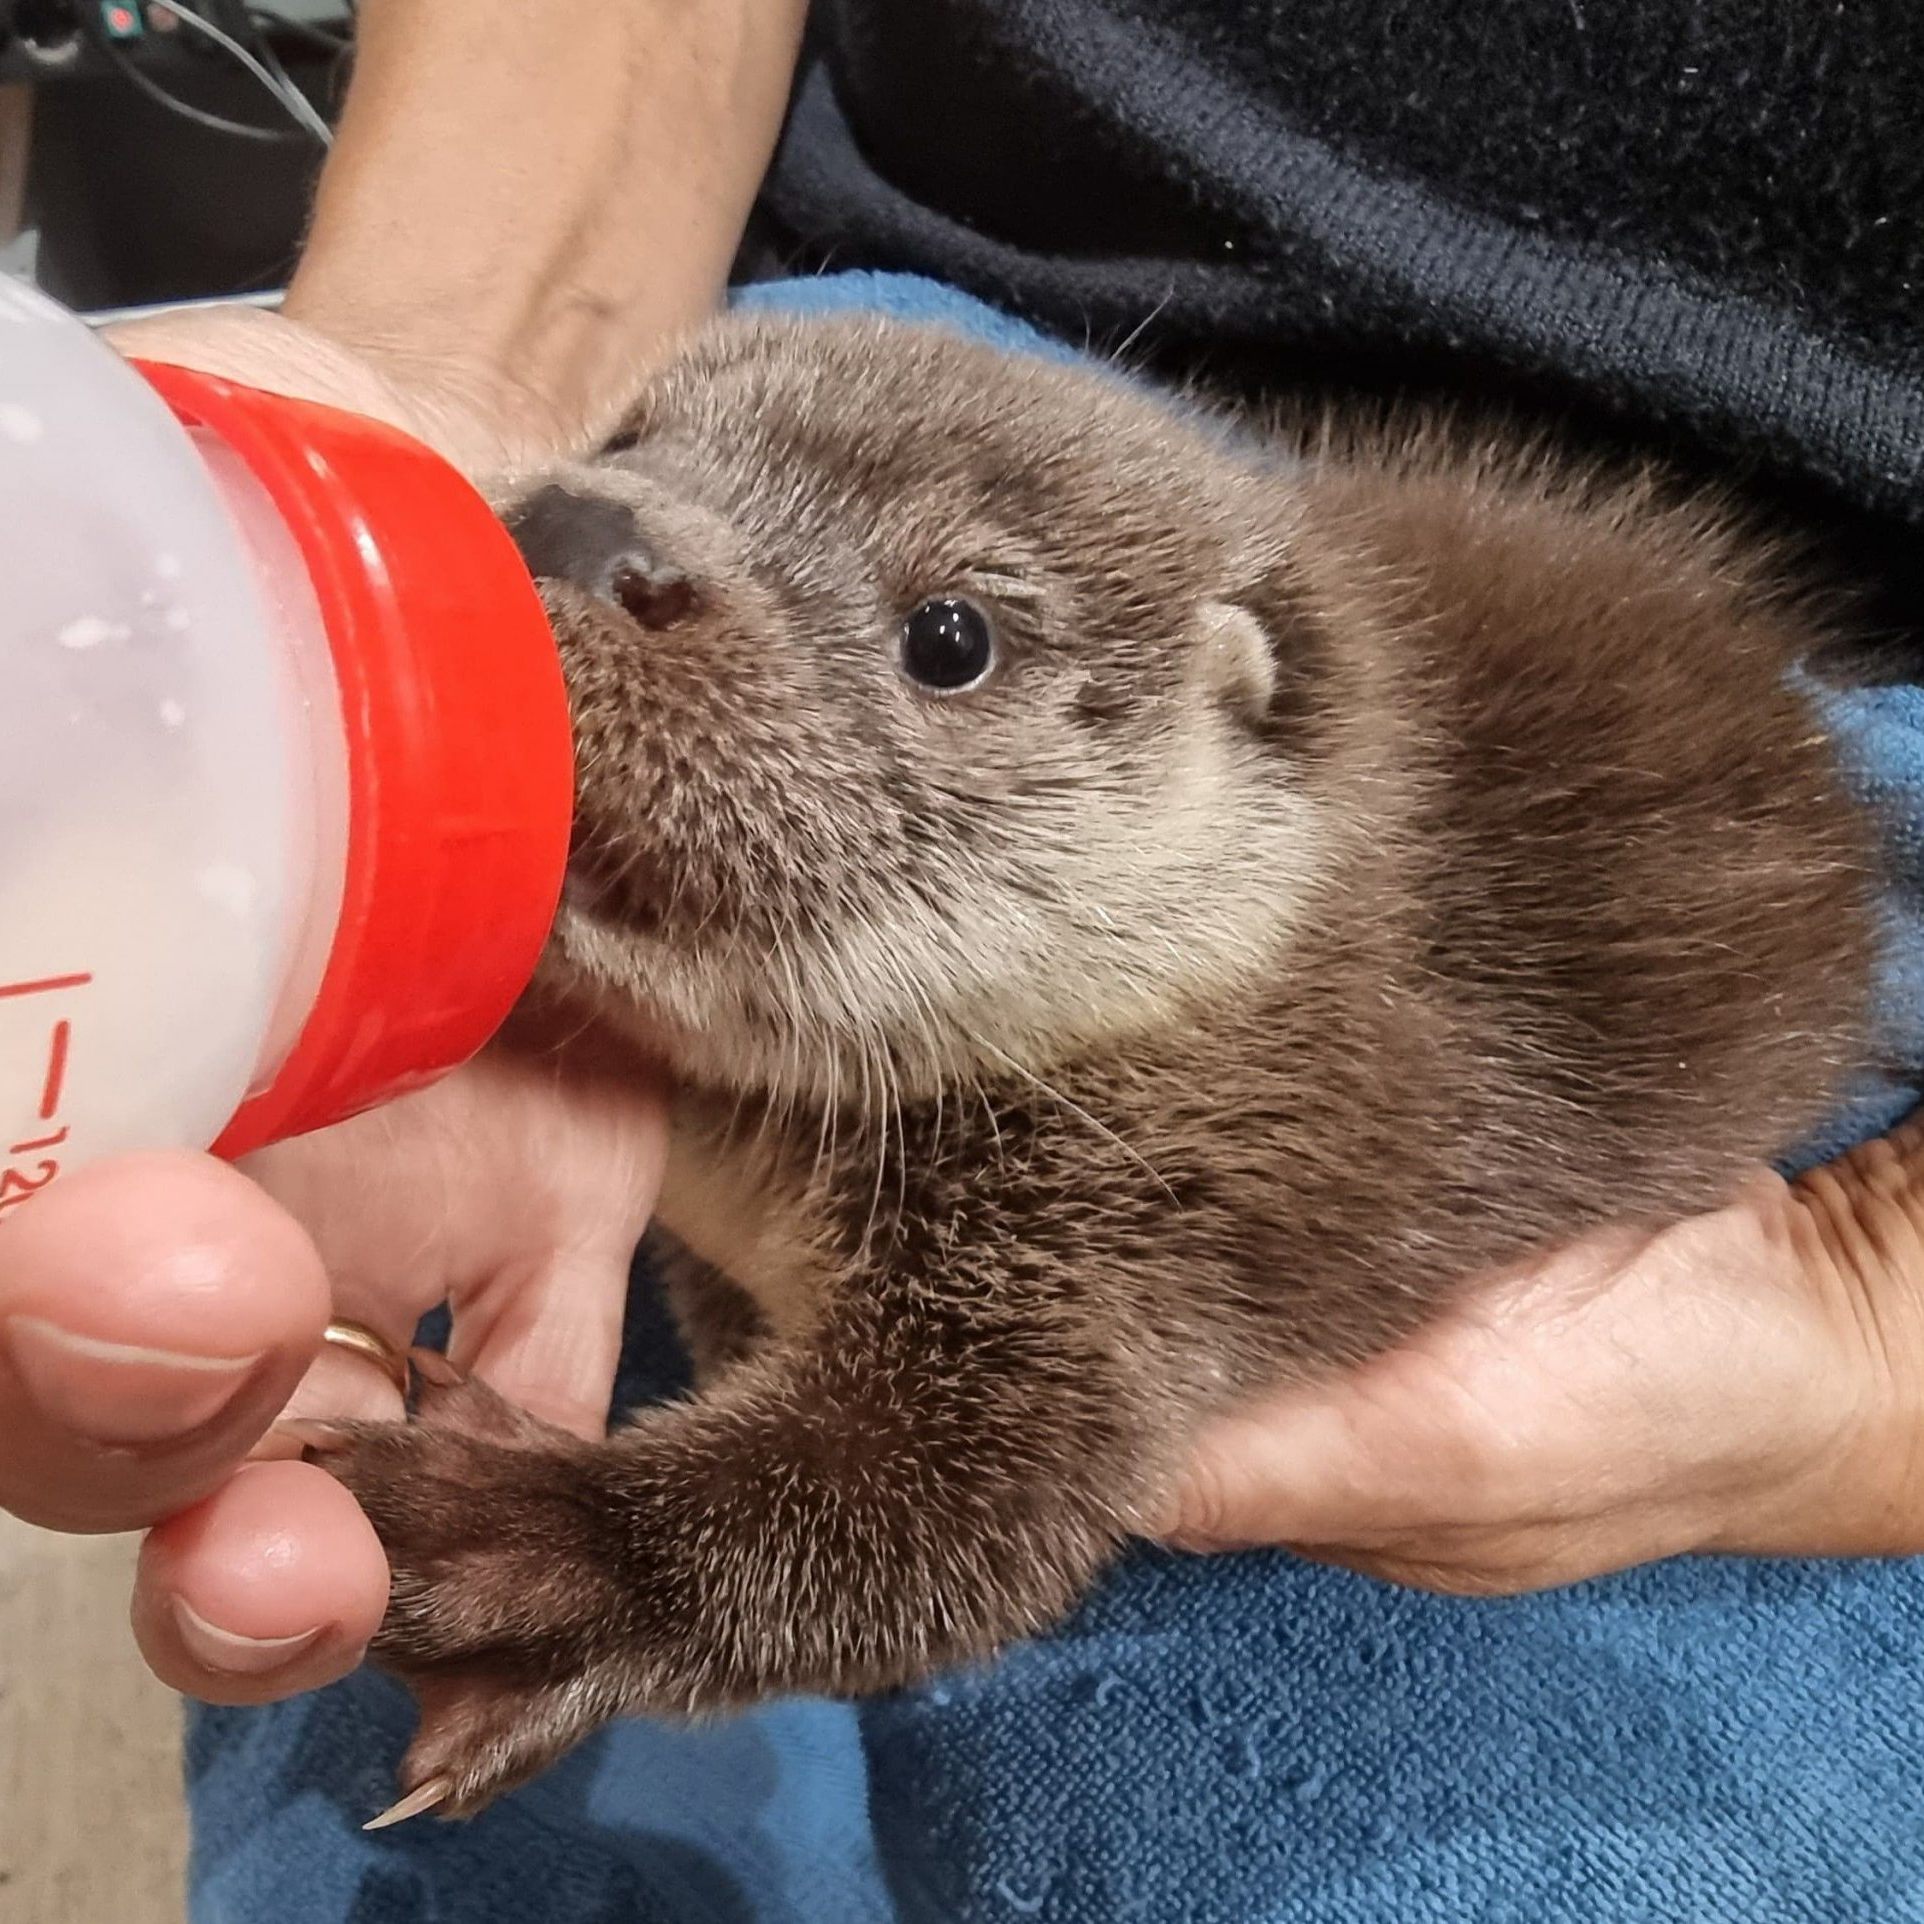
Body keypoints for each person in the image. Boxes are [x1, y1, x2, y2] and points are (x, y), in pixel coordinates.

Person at [8, 2, 1923, 1917]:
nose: (606, 557)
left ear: (1229, 755)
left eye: (949, 647)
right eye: (628, 481)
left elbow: (955, 1497)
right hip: (900, 324)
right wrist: (406, 417)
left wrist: (1862, 1335)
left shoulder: (1193, 1090)